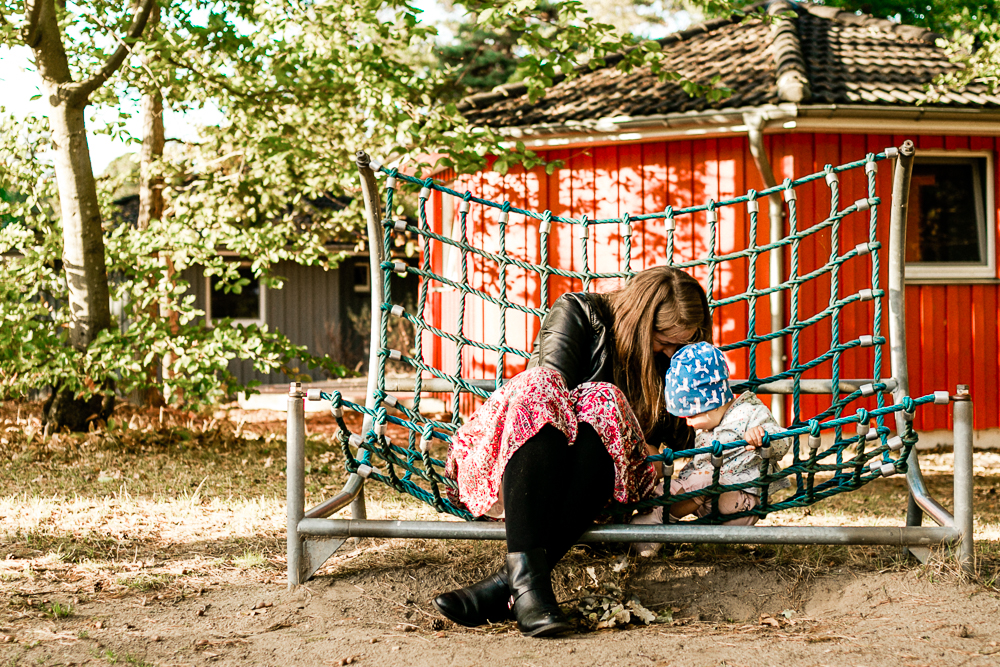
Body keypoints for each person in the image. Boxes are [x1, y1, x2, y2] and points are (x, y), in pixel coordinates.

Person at [434, 266, 712, 637]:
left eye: (684, 343)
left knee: (606, 404)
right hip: (529, 467)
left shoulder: (674, 360)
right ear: (643, 322)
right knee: (564, 389)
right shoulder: (580, 313)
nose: (674, 352)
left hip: (604, 482)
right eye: (667, 341)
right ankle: (521, 587)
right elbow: (544, 401)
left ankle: (514, 585)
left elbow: (688, 434)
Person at [632, 342, 791, 557]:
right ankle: (657, 509)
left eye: (691, 416)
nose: (688, 423)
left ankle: (658, 520)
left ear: (712, 402)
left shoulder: (749, 412)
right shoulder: (709, 427)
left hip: (741, 502)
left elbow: (783, 441)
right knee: (690, 478)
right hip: (710, 500)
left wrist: (762, 436)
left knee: (707, 476)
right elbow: (700, 465)